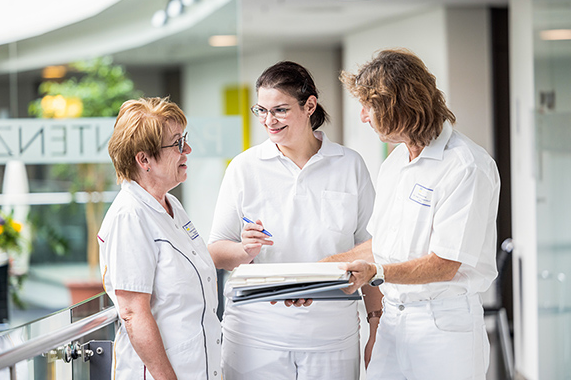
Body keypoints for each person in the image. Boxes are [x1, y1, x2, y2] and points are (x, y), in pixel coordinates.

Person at [329, 48, 501, 380]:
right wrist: (326, 266)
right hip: (395, 321)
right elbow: (383, 243)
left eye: (369, 107)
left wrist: (375, 272)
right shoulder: (396, 162)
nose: (364, 117)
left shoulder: (466, 166)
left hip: (443, 328)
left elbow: (445, 264)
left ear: (397, 107)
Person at [208, 61, 382, 380]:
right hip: (254, 335)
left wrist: (376, 324)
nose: (268, 121)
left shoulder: (349, 165)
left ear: (309, 106)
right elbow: (217, 250)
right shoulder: (244, 168)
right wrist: (244, 251)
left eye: (280, 110)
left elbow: (372, 248)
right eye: (261, 110)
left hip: (332, 335)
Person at [98, 97, 221, 380]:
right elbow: (132, 312)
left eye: (184, 140)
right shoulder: (130, 215)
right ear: (144, 160)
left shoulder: (170, 205)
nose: (187, 150)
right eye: (177, 143)